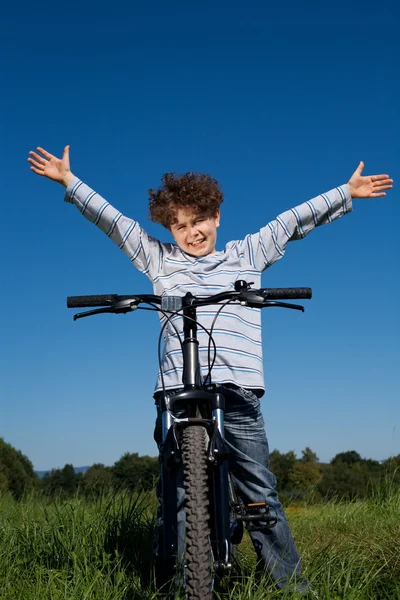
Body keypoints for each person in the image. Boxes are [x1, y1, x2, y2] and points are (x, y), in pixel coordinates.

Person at [28, 146, 392, 595]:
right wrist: (70, 182)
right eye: (179, 225)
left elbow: (291, 222)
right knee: (173, 496)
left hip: (237, 391)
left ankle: (293, 588)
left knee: (259, 491)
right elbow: (116, 226)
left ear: (216, 216)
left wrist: (346, 192)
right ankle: (170, 582)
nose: (191, 232)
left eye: (198, 220)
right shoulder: (161, 261)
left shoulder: (246, 255)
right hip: (176, 393)